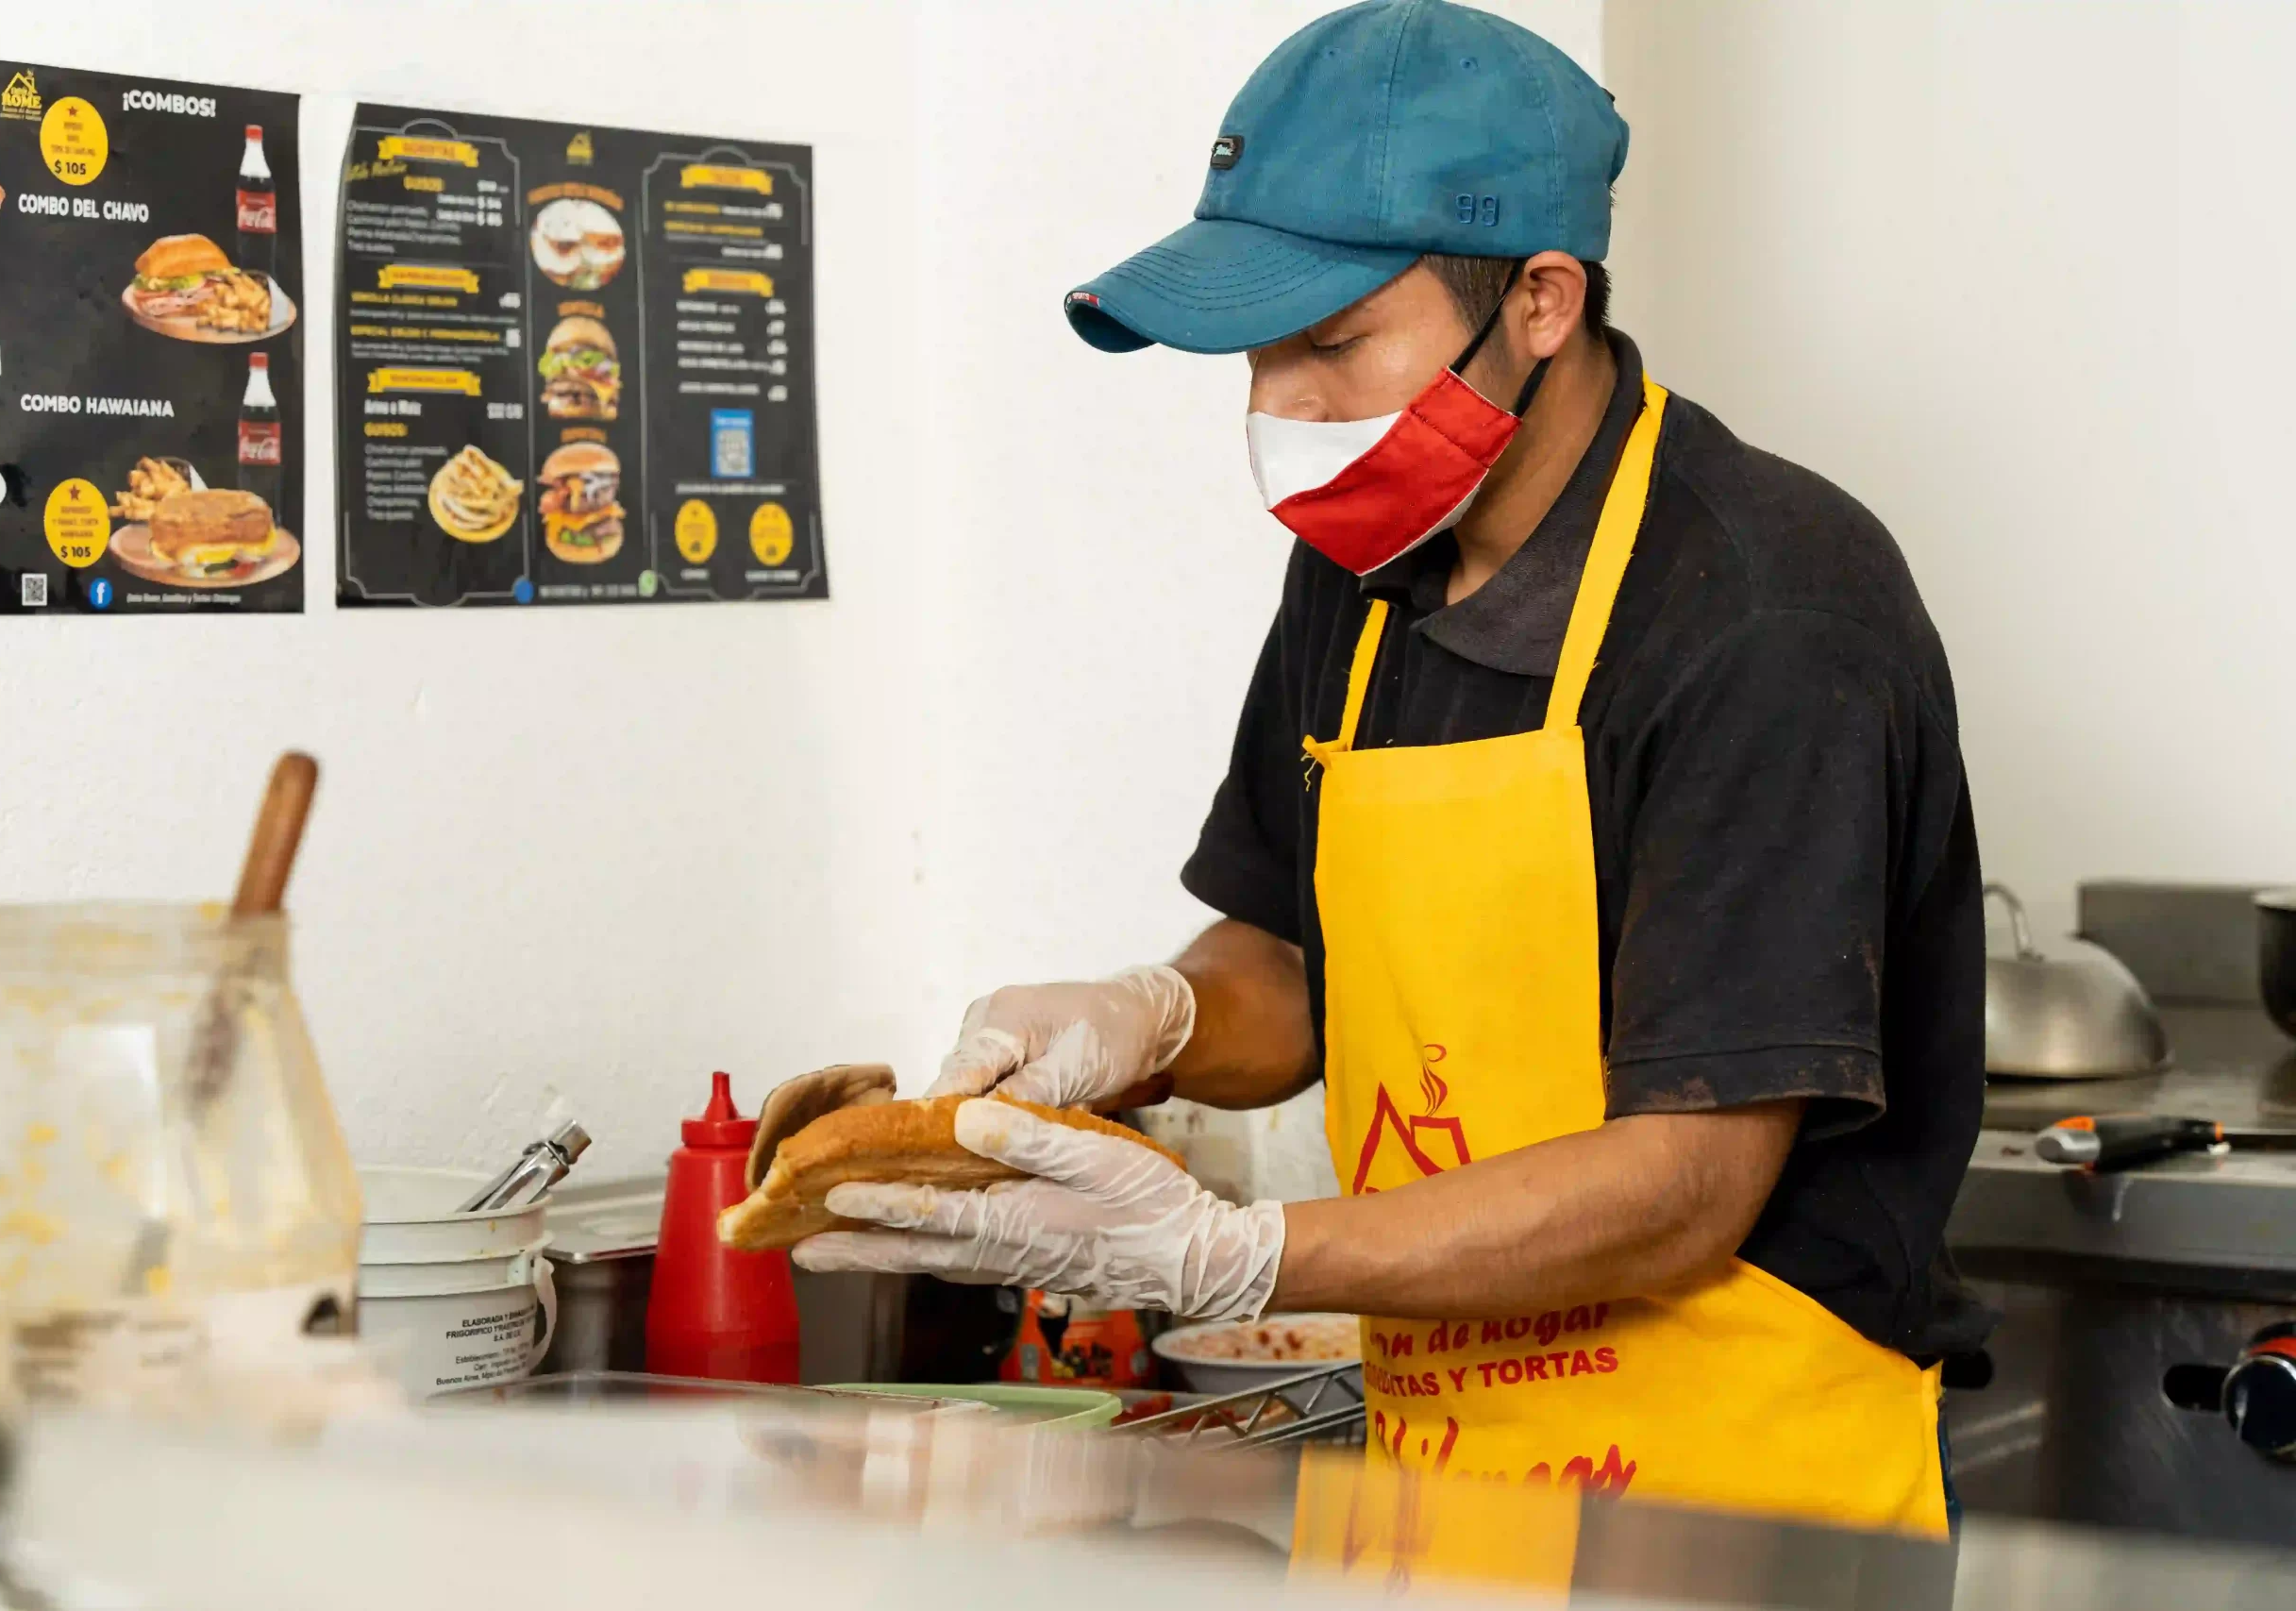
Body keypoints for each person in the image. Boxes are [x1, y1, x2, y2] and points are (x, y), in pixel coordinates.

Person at [798, 0, 1987, 1538]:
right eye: (1254, 353)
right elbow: (1298, 965)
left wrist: (1236, 1255)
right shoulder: (1364, 574)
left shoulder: (1770, 611)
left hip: (1733, 1513)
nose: (1276, 409)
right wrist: (1143, 1020)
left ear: (1543, 301)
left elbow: (1687, 1184)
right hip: (1432, 1499)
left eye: (1335, 342)